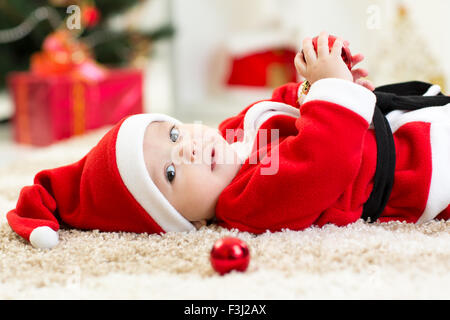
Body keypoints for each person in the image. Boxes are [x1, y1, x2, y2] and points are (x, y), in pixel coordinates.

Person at [6, 32, 450, 248]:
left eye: (175, 133)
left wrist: (319, 86)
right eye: (172, 172)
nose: (188, 147)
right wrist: (335, 97)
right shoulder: (245, 204)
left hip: (397, 123)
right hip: (422, 171)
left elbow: (280, 111)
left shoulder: (233, 134)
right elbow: (324, 164)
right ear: (184, 222)